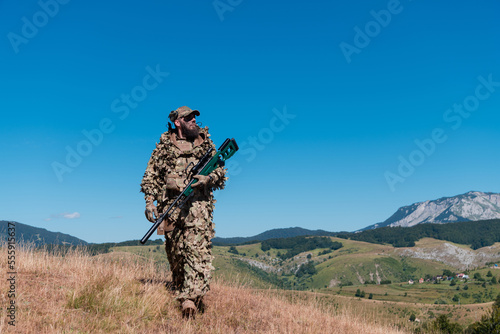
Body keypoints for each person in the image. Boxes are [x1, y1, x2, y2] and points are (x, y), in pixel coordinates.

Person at [140, 106, 227, 318]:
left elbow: (220, 171)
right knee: (176, 252)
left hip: (198, 208)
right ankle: (181, 288)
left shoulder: (204, 144)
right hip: (171, 207)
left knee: (196, 251)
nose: (193, 121)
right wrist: (149, 202)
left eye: (195, 118)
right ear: (177, 122)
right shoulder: (164, 146)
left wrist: (209, 178)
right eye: (188, 118)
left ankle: (190, 300)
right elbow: (152, 175)